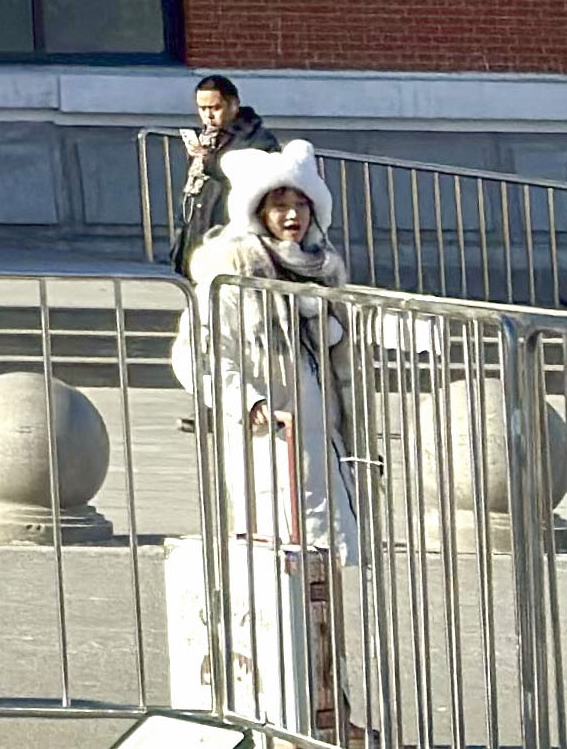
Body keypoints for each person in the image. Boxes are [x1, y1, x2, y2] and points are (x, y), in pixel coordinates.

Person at [185, 140, 369, 742]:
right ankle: (279, 708)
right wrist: (251, 402)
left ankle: (329, 705)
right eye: (278, 205)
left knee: (325, 579)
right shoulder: (229, 269)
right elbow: (198, 355)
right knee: (276, 576)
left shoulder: (323, 268)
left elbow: (340, 360)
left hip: (321, 443)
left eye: (300, 204)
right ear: (259, 211)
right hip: (268, 449)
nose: (291, 215)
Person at [175, 73, 284, 260]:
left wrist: (209, 161)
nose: (208, 115)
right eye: (202, 108)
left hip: (232, 231)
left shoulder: (256, 138)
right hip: (198, 228)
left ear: (234, 104)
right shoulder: (207, 137)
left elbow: (256, 179)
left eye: (215, 108)